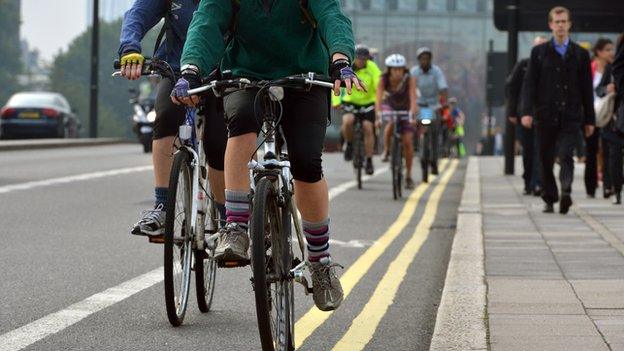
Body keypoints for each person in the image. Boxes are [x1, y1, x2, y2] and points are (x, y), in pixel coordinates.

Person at [170, 1, 363, 311]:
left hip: (305, 76)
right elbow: (206, 22)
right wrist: (191, 69)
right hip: (247, 75)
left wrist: (340, 59)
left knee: (306, 162)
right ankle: (235, 227)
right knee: (241, 125)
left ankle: (320, 262)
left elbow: (331, 15)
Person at [118, 0, 228, 237]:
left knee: (218, 142)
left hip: (222, 73)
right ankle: (162, 206)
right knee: (165, 117)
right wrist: (130, 48)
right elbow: (138, 14)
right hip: (177, 69)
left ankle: (226, 218)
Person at [521, 6, 595, 214]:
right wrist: (526, 111)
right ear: (550, 25)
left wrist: (590, 119)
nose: (561, 25)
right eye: (557, 22)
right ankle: (550, 197)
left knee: (566, 155)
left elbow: (587, 89)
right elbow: (530, 85)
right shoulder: (539, 53)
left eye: (564, 21)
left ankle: (566, 190)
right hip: (545, 114)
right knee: (545, 158)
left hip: (571, 114)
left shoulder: (580, 54)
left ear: (570, 24)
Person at [506, 36, 547, 196]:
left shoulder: (551, 66)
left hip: (544, 115)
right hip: (525, 114)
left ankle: (538, 183)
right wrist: (512, 112)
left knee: (541, 150)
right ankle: (528, 181)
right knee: (528, 150)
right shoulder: (524, 64)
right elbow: (511, 88)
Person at [376, 54, 418, 189]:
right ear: (389, 70)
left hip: (405, 108)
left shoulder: (409, 79)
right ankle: (387, 150)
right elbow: (378, 98)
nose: (397, 72)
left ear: (404, 69)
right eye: (394, 69)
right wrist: (378, 115)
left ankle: (409, 175)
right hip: (390, 106)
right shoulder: (383, 79)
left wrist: (412, 113)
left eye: (400, 69)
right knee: (391, 122)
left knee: (407, 141)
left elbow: (413, 97)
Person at [339, 45, 382, 175]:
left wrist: (379, 97)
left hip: (368, 103)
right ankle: (350, 144)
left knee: (368, 127)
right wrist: (336, 101)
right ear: (354, 58)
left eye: (364, 59)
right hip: (350, 101)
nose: (362, 61)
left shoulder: (372, 67)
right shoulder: (349, 67)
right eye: (359, 58)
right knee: (348, 121)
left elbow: (378, 83)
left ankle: (369, 160)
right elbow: (339, 83)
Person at [410, 47, 448, 175]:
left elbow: (443, 89)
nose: (424, 61)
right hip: (419, 105)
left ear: (430, 60)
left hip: (433, 106)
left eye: (427, 58)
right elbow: (410, 89)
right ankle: (416, 144)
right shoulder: (414, 72)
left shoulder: (436, 71)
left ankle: (434, 159)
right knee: (413, 125)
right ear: (419, 60)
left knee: (434, 133)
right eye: (422, 59)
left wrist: (443, 103)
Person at [598, 33, 623, 205]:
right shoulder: (612, 68)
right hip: (615, 114)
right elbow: (600, 89)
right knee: (613, 154)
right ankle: (615, 188)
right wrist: (613, 89)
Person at [589, 38, 616, 199]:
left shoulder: (613, 67)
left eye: (612, 49)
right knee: (594, 150)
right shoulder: (591, 67)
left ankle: (609, 184)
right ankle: (592, 184)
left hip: (607, 113)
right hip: (592, 113)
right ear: (599, 51)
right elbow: (596, 89)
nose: (611, 53)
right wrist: (606, 89)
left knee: (607, 149)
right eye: (607, 49)